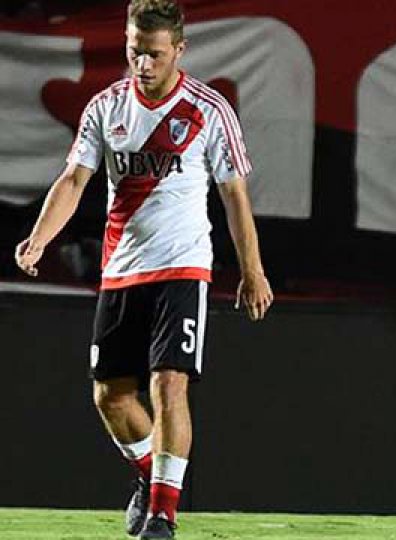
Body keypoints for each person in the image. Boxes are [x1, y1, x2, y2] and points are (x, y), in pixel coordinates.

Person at [14, 1, 273, 538]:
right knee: (109, 396)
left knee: (168, 383)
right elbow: (74, 181)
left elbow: (235, 196)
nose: (143, 64)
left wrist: (253, 270)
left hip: (183, 266)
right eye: (135, 51)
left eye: (154, 54)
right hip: (122, 270)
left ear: (179, 50)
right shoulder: (106, 107)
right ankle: (152, 477)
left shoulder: (209, 110)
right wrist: (40, 239)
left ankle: (162, 514)